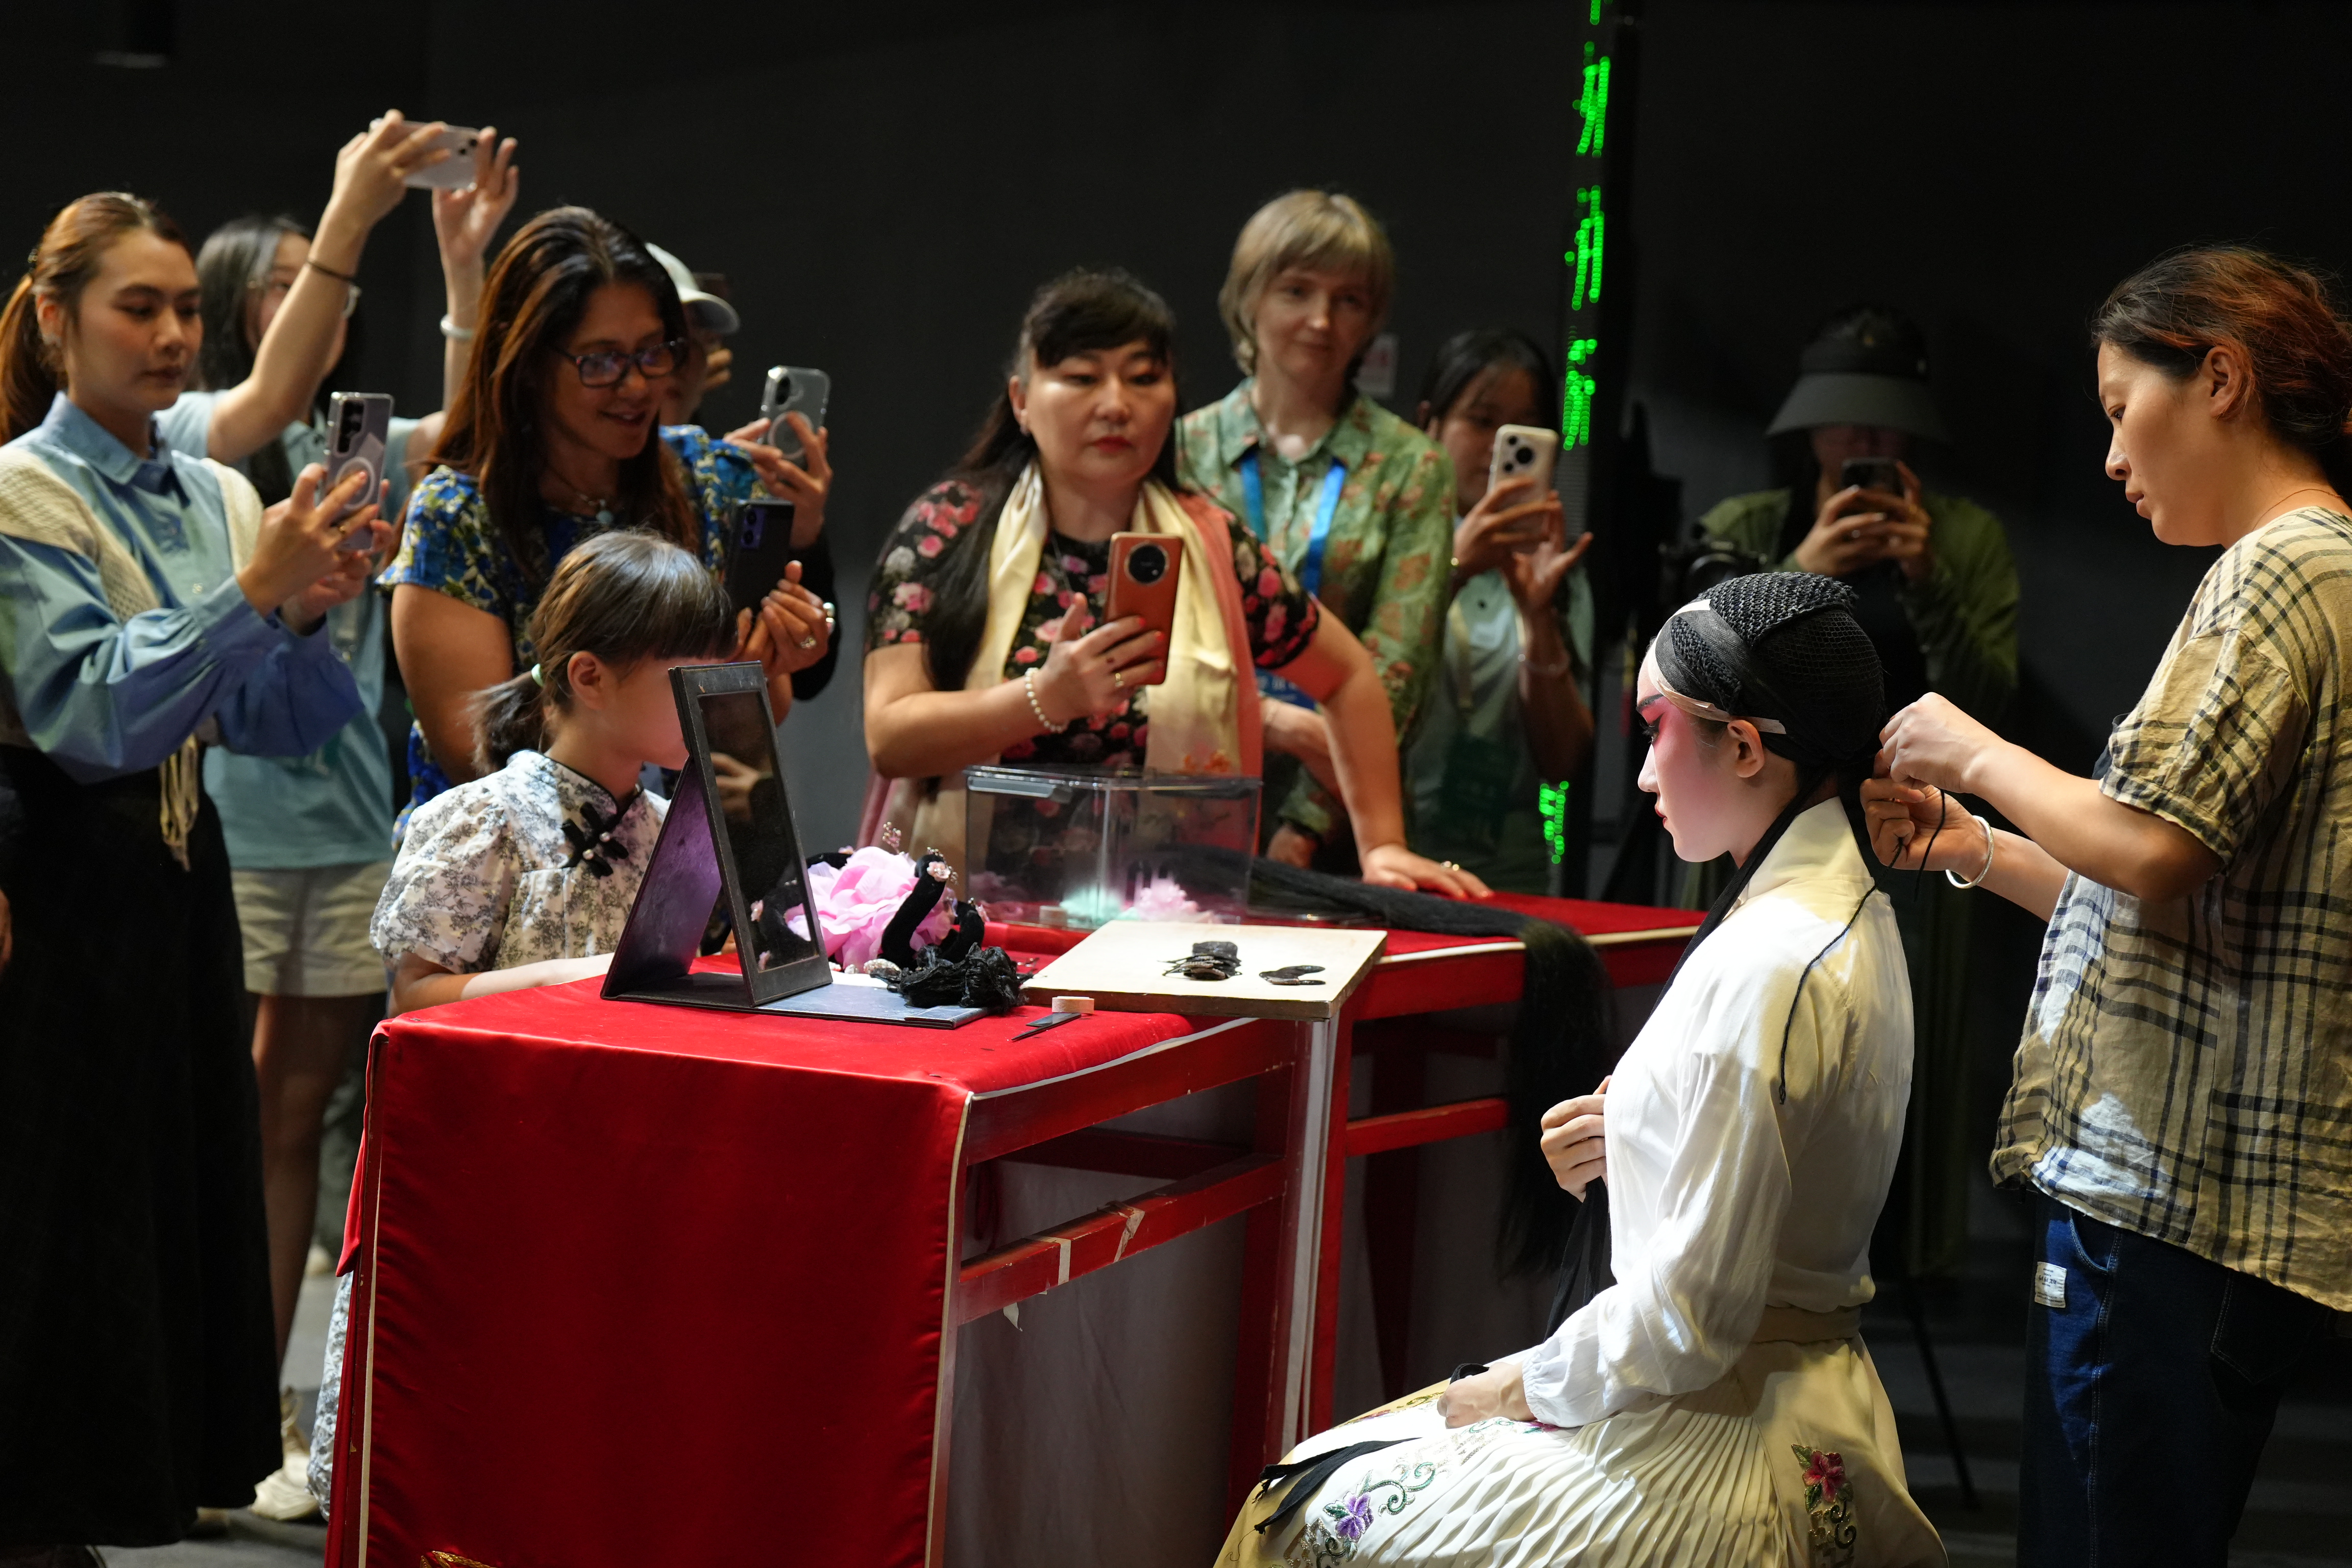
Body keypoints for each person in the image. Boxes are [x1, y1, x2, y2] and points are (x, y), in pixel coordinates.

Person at [1217, 573, 1940, 1566]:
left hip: (1713, 1432)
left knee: (1294, 1511)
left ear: (1743, 747)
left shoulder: (1766, 963)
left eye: (1656, 730)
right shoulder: (1850, 910)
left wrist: (1515, 1385)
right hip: (1811, 1402)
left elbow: (1689, 1319)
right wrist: (1638, 1131)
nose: (1641, 776)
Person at [1866, 247, 2352, 1565]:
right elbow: (2183, 905)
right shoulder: (2313, 565)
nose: (2111, 456)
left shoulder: (2284, 569)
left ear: (2222, 379)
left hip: (2167, 1199)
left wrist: (1972, 752)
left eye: (2122, 407)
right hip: (2199, 1208)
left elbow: (2151, 849)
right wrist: (1979, 848)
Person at [0, 191, 388, 1557]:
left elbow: (273, 726)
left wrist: (306, 610)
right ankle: (33, 1514)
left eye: (183, 310)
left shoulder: (220, 492)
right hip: (55, 879)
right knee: (53, 1211)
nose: (171, 335)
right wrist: (251, 596)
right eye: (138, 308)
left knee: (164, 1197)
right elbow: (87, 710)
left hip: (181, 874)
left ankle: (106, 1503)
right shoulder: (22, 490)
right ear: (56, 323)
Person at [156, 121, 522, 1521]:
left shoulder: (350, 449)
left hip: (348, 817)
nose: (305, 307)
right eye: (277, 287)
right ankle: (218, 1409)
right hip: (234, 815)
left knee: (303, 1101)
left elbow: (464, 423)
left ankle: (258, 1426)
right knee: (241, 1103)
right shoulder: (216, 448)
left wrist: (462, 267)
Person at [301, 529, 731, 1515]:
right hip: (484, 1165)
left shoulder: (665, 824)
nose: (709, 697)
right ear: (589, 676)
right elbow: (415, 999)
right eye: (686, 675)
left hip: (601, 1165)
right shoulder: (479, 818)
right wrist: (577, 975)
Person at [863, 266, 1478, 898]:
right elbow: (891, 737)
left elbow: (1347, 675)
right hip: (963, 921)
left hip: (1169, 922)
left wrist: (1382, 843)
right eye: (1082, 378)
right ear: (1022, 401)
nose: (1115, 405)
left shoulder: (1212, 544)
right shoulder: (949, 527)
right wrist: (1045, 697)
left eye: (1143, 378)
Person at [1696, 305, 2019, 1280]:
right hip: (1760, 836)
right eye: (1844, 422)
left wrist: (1925, 580)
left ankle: (1893, 1271)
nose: (1864, 442)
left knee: (1893, 1062)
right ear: (1808, 427)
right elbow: (1688, 688)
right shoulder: (1749, 529)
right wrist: (1796, 574)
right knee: (1756, 1046)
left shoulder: (1963, 539)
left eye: (1884, 426)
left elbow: (1990, 697)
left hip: (1915, 836)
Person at [384, 206, 832, 832]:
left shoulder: (711, 480)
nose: (637, 385)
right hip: (500, 869)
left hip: (673, 860)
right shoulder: (458, 516)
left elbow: (750, 722)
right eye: (601, 361)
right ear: (528, 360)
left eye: (654, 353)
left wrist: (771, 654)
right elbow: (480, 760)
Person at [1177, 191, 1455, 873]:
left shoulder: (1412, 465)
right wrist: (1270, 721)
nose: (1322, 320)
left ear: (1372, 320)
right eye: (1296, 291)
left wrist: (1303, 827)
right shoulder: (1180, 450)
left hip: (1347, 827)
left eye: (1349, 300)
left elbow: (1397, 669)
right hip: (1182, 795)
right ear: (1248, 298)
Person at [1407, 329, 1596, 891]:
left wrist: (1538, 614)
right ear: (1430, 425)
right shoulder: (1395, 551)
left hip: (1511, 872)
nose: (1498, 448)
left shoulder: (1557, 572)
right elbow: (1362, 690)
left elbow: (1563, 761)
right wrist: (1454, 568)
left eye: (1522, 431)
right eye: (1481, 420)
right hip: (1392, 854)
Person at [645, 238, 839, 703]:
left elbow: (796, 684)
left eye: (692, 343)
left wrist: (800, 537)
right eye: (654, 346)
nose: (673, 365)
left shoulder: (726, 480)